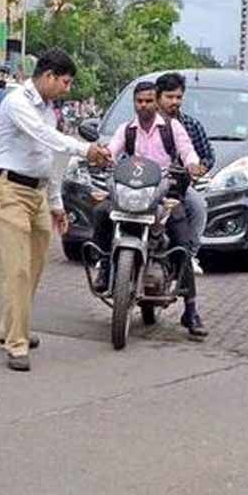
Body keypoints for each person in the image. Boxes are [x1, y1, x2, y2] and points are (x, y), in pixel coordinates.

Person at [0, 48, 111, 372]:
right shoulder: (17, 103)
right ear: (48, 76)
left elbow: (51, 159)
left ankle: (8, 327)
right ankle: (17, 343)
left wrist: (56, 204)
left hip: (37, 194)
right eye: (65, 82)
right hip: (9, 192)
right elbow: (46, 137)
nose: (67, 89)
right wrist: (87, 149)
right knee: (18, 270)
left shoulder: (48, 109)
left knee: (35, 265)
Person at [89, 81, 209, 339]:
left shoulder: (172, 128)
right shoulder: (127, 129)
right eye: (139, 101)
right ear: (135, 103)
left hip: (162, 195)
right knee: (101, 213)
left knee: (182, 244)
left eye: (148, 101)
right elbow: (112, 151)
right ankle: (105, 268)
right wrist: (102, 157)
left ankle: (191, 310)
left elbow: (188, 152)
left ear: (156, 101)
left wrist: (193, 165)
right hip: (131, 193)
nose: (143, 105)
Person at [155, 72, 214, 275]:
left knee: (197, 206)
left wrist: (199, 168)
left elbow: (205, 156)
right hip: (144, 186)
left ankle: (189, 256)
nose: (174, 101)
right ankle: (109, 260)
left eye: (178, 97)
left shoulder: (191, 126)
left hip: (178, 189)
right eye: (169, 97)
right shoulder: (140, 125)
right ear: (157, 97)